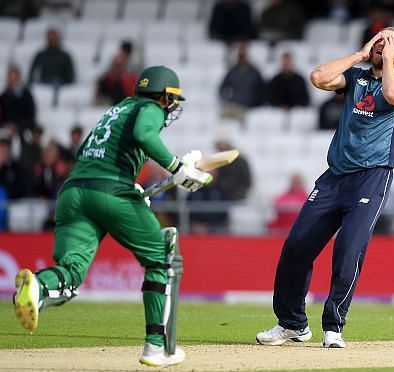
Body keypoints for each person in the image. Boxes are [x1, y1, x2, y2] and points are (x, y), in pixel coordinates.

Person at [12, 65, 213, 367]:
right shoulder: (149, 107)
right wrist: (176, 167)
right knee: (160, 256)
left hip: (73, 191)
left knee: (71, 272)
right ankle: (157, 347)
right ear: (161, 94)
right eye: (170, 98)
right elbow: (144, 134)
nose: (171, 106)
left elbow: (84, 151)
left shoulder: (118, 109)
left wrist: (128, 181)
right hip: (109, 192)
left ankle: (38, 287)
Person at [256, 28, 394, 348]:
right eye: (379, 40)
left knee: (348, 251)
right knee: (296, 247)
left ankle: (334, 326)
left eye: (390, 43)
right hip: (334, 177)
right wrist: (360, 54)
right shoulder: (356, 76)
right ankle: (292, 324)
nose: (381, 45)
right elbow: (318, 77)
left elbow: (393, 96)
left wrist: (388, 62)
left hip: (372, 176)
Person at [219, 41, 265, 121]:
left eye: (243, 53)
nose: (241, 55)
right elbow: (222, 89)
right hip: (235, 107)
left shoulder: (254, 72)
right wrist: (228, 100)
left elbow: (263, 90)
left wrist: (256, 103)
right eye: (240, 53)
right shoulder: (232, 72)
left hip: (250, 108)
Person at [0, 65, 36, 143]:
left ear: (19, 78)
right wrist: (6, 126)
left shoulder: (27, 96)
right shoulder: (3, 96)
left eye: (14, 78)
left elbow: (31, 117)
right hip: (6, 130)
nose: (11, 81)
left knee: (28, 138)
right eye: (10, 78)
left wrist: (17, 127)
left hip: (22, 130)